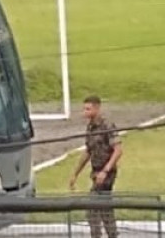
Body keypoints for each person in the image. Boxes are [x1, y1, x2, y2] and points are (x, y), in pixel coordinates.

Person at [68, 94, 122, 238]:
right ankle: (112, 234)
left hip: (106, 173)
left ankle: (98, 236)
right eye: (84, 109)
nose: (84, 112)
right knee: (105, 208)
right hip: (96, 172)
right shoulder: (90, 127)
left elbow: (118, 150)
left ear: (97, 108)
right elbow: (88, 151)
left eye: (88, 109)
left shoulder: (107, 125)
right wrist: (75, 173)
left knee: (92, 208)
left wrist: (105, 171)